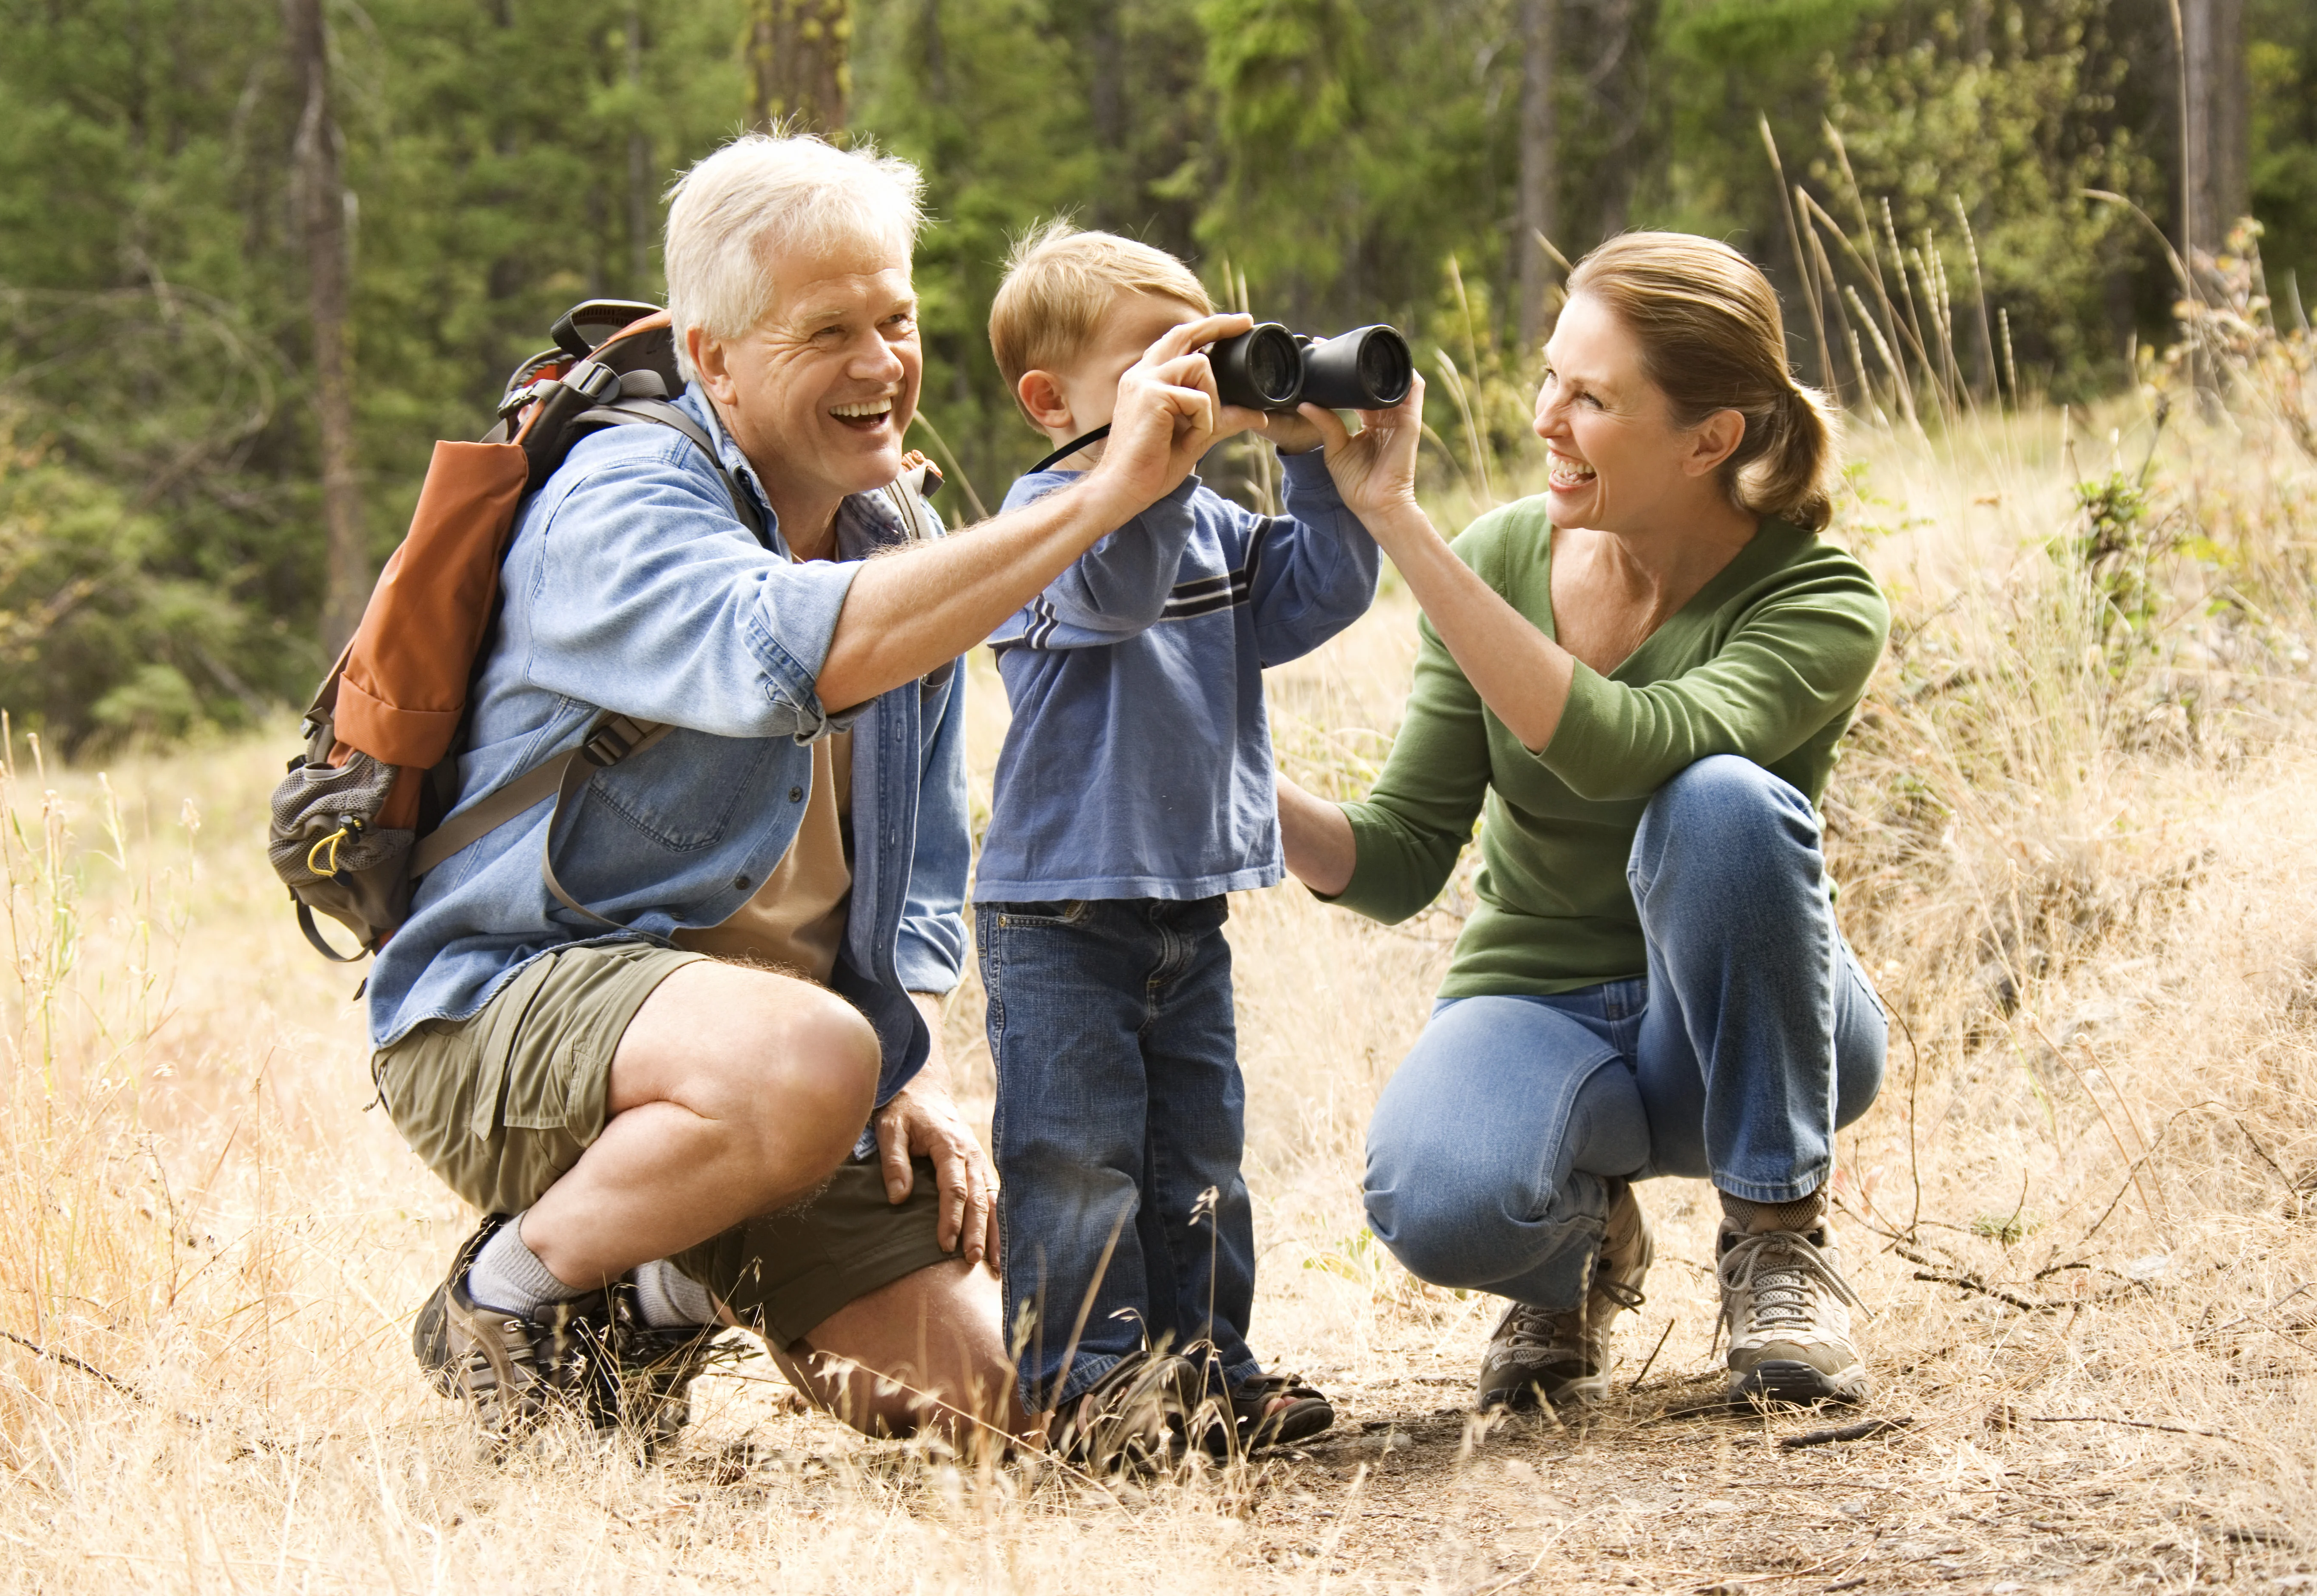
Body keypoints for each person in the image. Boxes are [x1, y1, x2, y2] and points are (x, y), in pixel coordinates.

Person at [367, 134, 1255, 1450]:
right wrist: (1108, 487)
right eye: (825, 330)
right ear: (714, 355)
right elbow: (793, 647)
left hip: (784, 1076)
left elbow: (916, 868)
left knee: (1008, 1414)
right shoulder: (621, 495)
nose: (879, 363)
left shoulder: (895, 528)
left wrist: (914, 1075)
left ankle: (658, 1292)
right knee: (810, 1056)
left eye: (895, 319)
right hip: (503, 1022)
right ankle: (507, 1298)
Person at [1272, 231, 1892, 1412]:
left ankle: (1775, 1239)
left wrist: (1398, 522)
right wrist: (1231, 773)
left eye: (1592, 397)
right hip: (1537, 1002)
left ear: (1709, 438)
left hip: (1741, 1035)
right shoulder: (1503, 553)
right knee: (1437, 1198)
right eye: (1549, 376)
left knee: (1720, 800)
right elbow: (1401, 856)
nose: (1546, 418)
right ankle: (1577, 1247)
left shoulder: (1815, 598)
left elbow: (1625, 747)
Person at [973, 225, 1377, 1457]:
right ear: (1052, 403)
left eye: (1204, 354)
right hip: (1056, 915)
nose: (1194, 386)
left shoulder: (1203, 521)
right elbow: (1116, 594)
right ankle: (1092, 1391)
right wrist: (1143, 476)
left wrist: (1315, 460)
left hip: (1183, 910)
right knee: (1076, 1159)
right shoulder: (1042, 520)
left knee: (1199, 1157)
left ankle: (1209, 1369)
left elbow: (1322, 592)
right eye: (1157, 362)